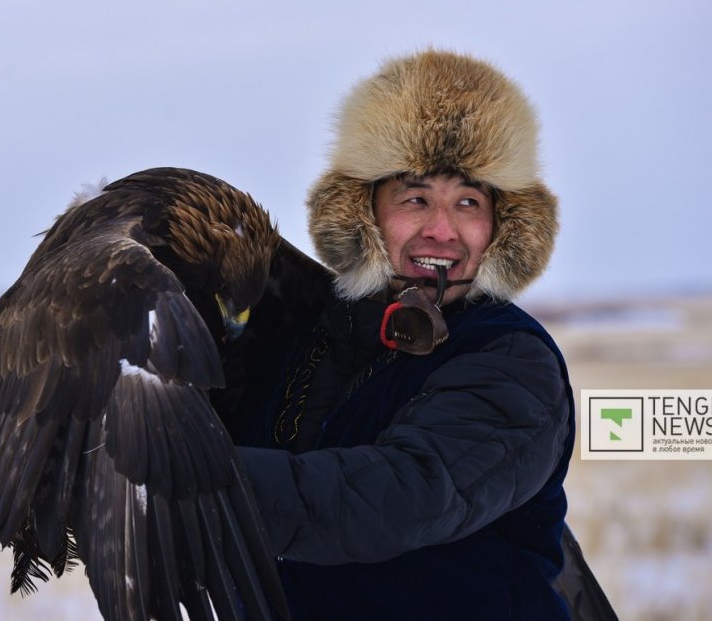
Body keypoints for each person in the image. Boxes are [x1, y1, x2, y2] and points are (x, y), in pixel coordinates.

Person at [230, 50, 577, 620]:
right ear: (364, 213)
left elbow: (399, 499)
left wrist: (184, 477)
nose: (441, 231)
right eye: (415, 198)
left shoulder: (512, 359)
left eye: (468, 202)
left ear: (501, 227)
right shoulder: (309, 336)